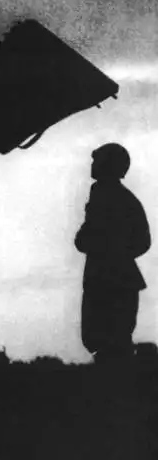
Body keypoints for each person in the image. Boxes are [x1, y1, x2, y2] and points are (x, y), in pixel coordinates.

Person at [75, 143, 151, 360]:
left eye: (96, 160)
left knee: (112, 347)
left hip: (109, 281)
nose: (92, 165)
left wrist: (112, 253)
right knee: (110, 345)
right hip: (114, 279)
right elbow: (142, 242)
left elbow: (84, 240)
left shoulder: (109, 197)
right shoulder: (113, 196)